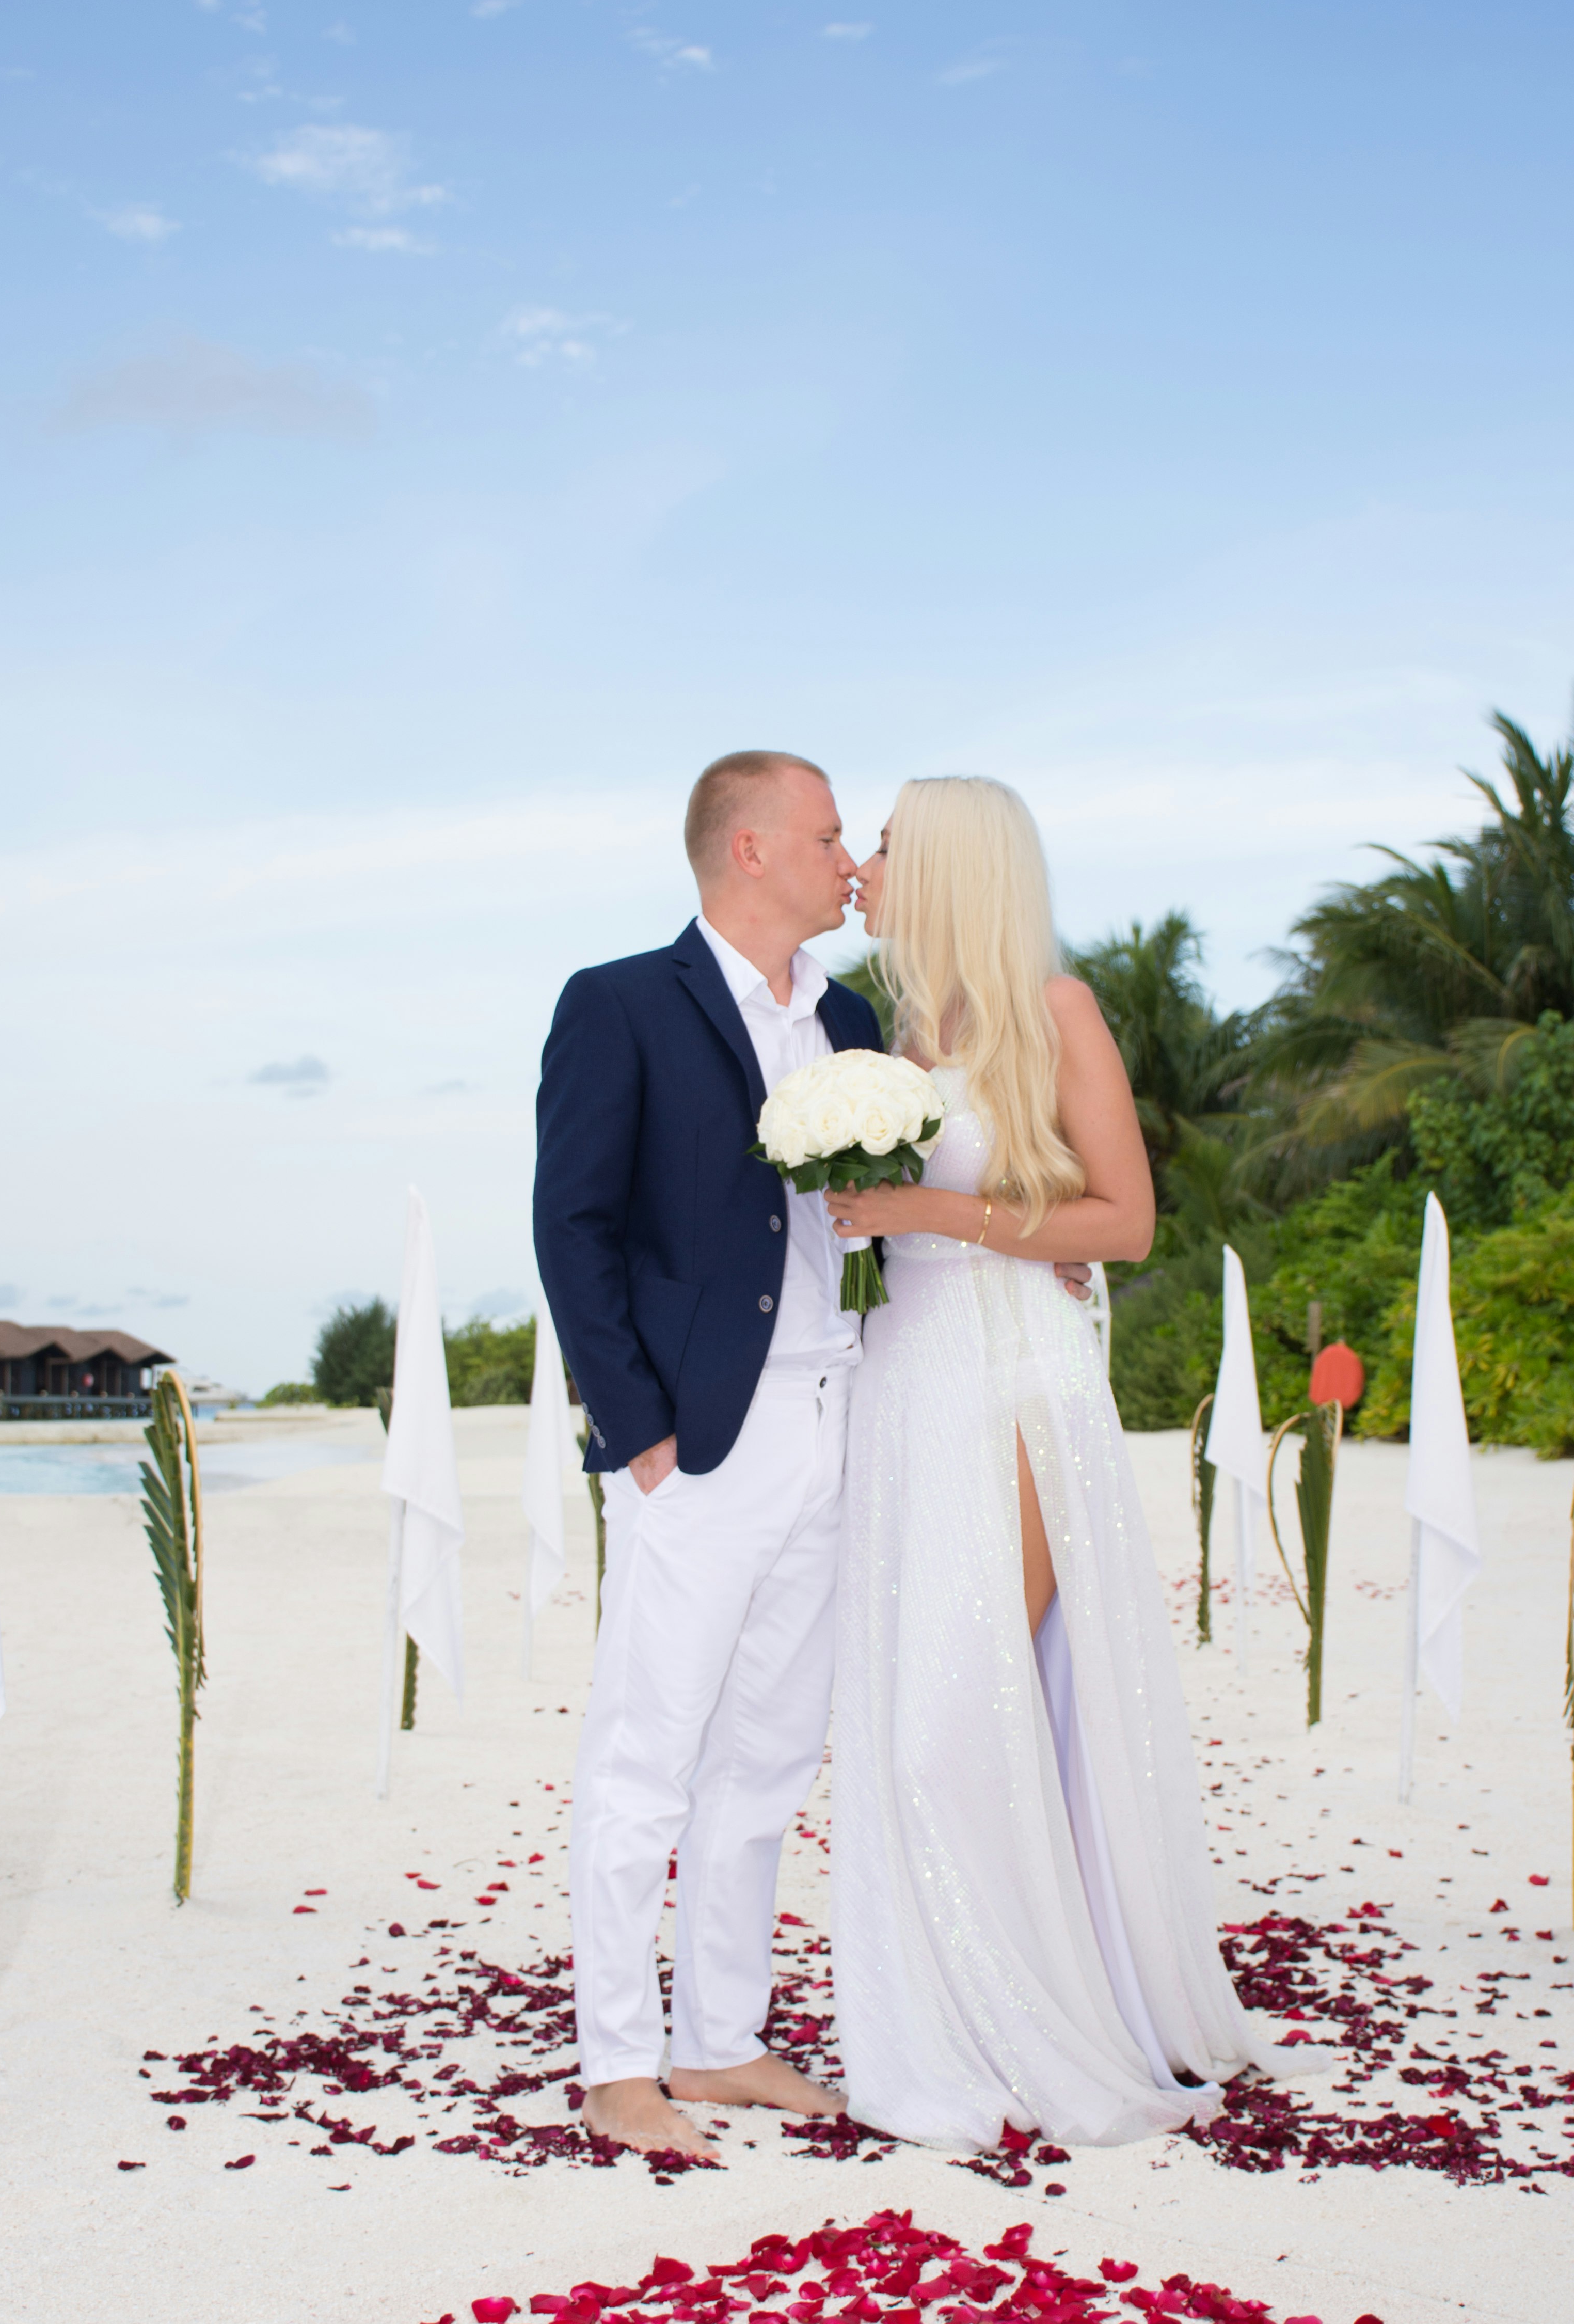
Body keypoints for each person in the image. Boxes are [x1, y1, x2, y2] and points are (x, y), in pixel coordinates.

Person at [533, 754, 1099, 2161]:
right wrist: (644, 1432)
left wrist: (1043, 1274)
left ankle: (721, 2043)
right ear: (749, 849)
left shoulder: (857, 1019)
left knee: (773, 1754)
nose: (852, 859)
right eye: (831, 833)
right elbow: (572, 1229)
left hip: (849, 1418)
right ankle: (618, 2064)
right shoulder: (619, 1005)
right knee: (647, 1751)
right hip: (705, 1442)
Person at [820, 776, 1321, 2149]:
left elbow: (1129, 1222)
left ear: (956, 870)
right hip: (898, 1393)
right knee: (906, 1712)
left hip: (1012, 1386)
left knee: (959, 1714)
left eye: (886, 846)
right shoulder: (892, 1033)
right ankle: (946, 2007)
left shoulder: (1057, 1012)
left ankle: (1023, 2013)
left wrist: (931, 1208)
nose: (861, 864)